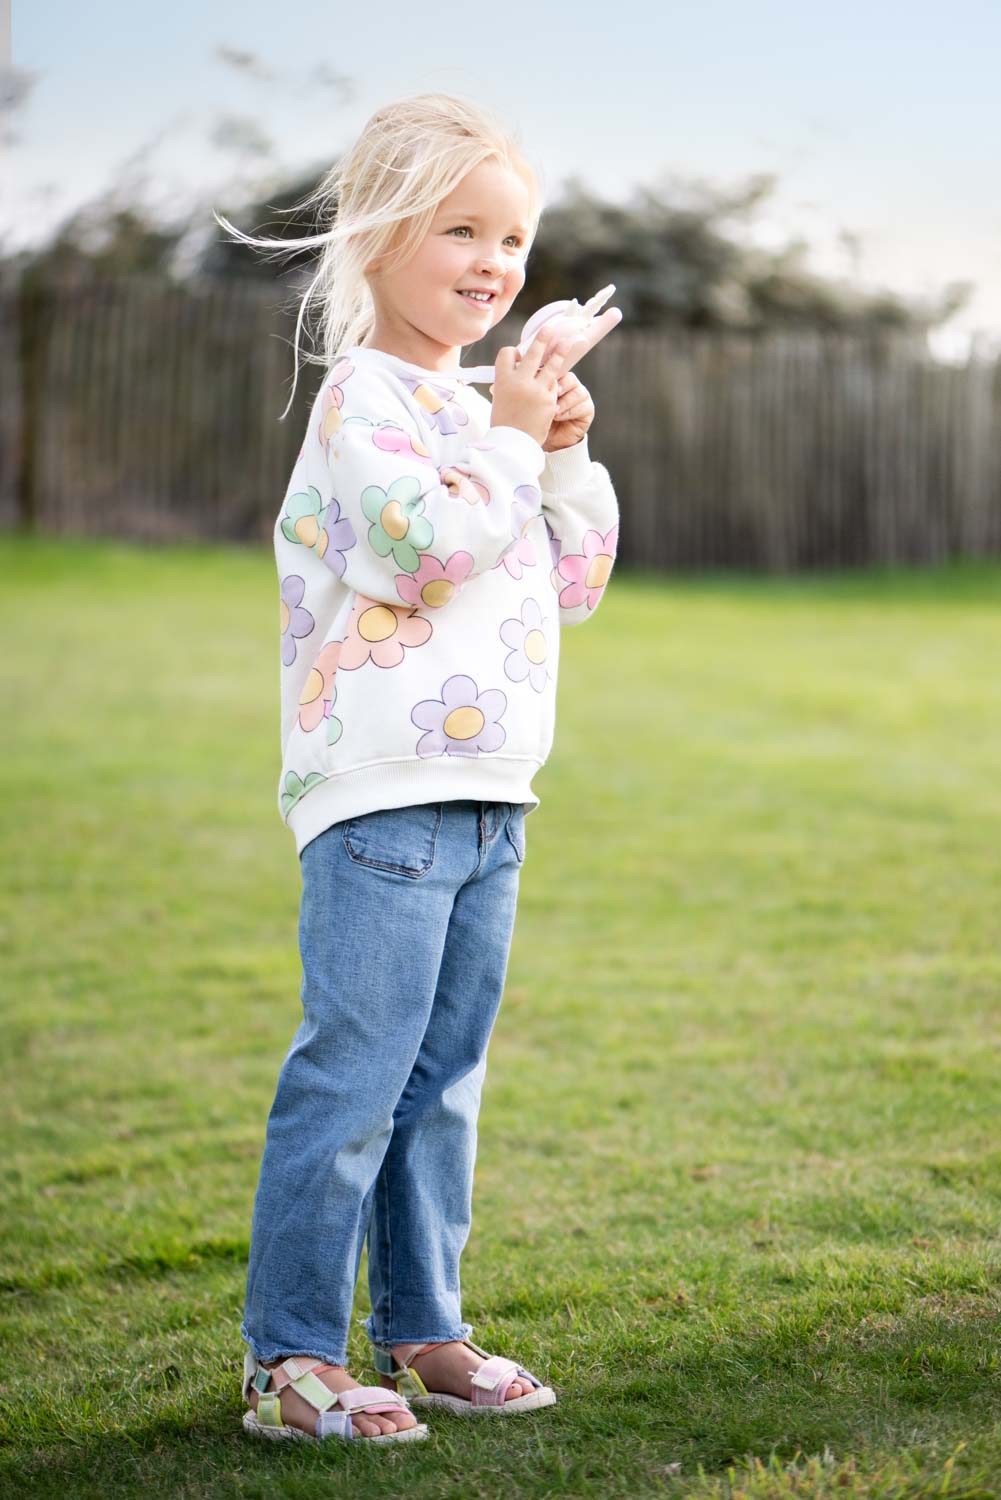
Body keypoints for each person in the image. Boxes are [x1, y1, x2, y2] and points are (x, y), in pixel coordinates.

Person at [216, 92, 620, 1444]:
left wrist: (559, 459)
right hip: (381, 794)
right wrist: (506, 437)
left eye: (512, 238)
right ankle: (289, 1362)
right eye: (461, 228)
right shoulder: (366, 403)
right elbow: (419, 552)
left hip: (492, 792)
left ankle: (423, 1329)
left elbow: (570, 583)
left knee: (440, 1084)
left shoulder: (470, 410)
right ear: (381, 237)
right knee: (354, 1080)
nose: (496, 263)